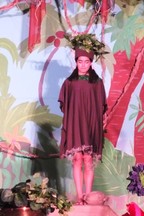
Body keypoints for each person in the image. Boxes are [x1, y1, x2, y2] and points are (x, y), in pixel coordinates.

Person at [58, 38, 107, 205]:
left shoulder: (97, 83)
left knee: (88, 159)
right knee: (77, 158)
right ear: (76, 62)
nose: (83, 65)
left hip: (91, 124)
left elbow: (101, 106)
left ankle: (89, 197)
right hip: (75, 124)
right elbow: (65, 106)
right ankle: (80, 197)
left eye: (87, 61)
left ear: (91, 63)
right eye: (80, 61)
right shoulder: (69, 83)